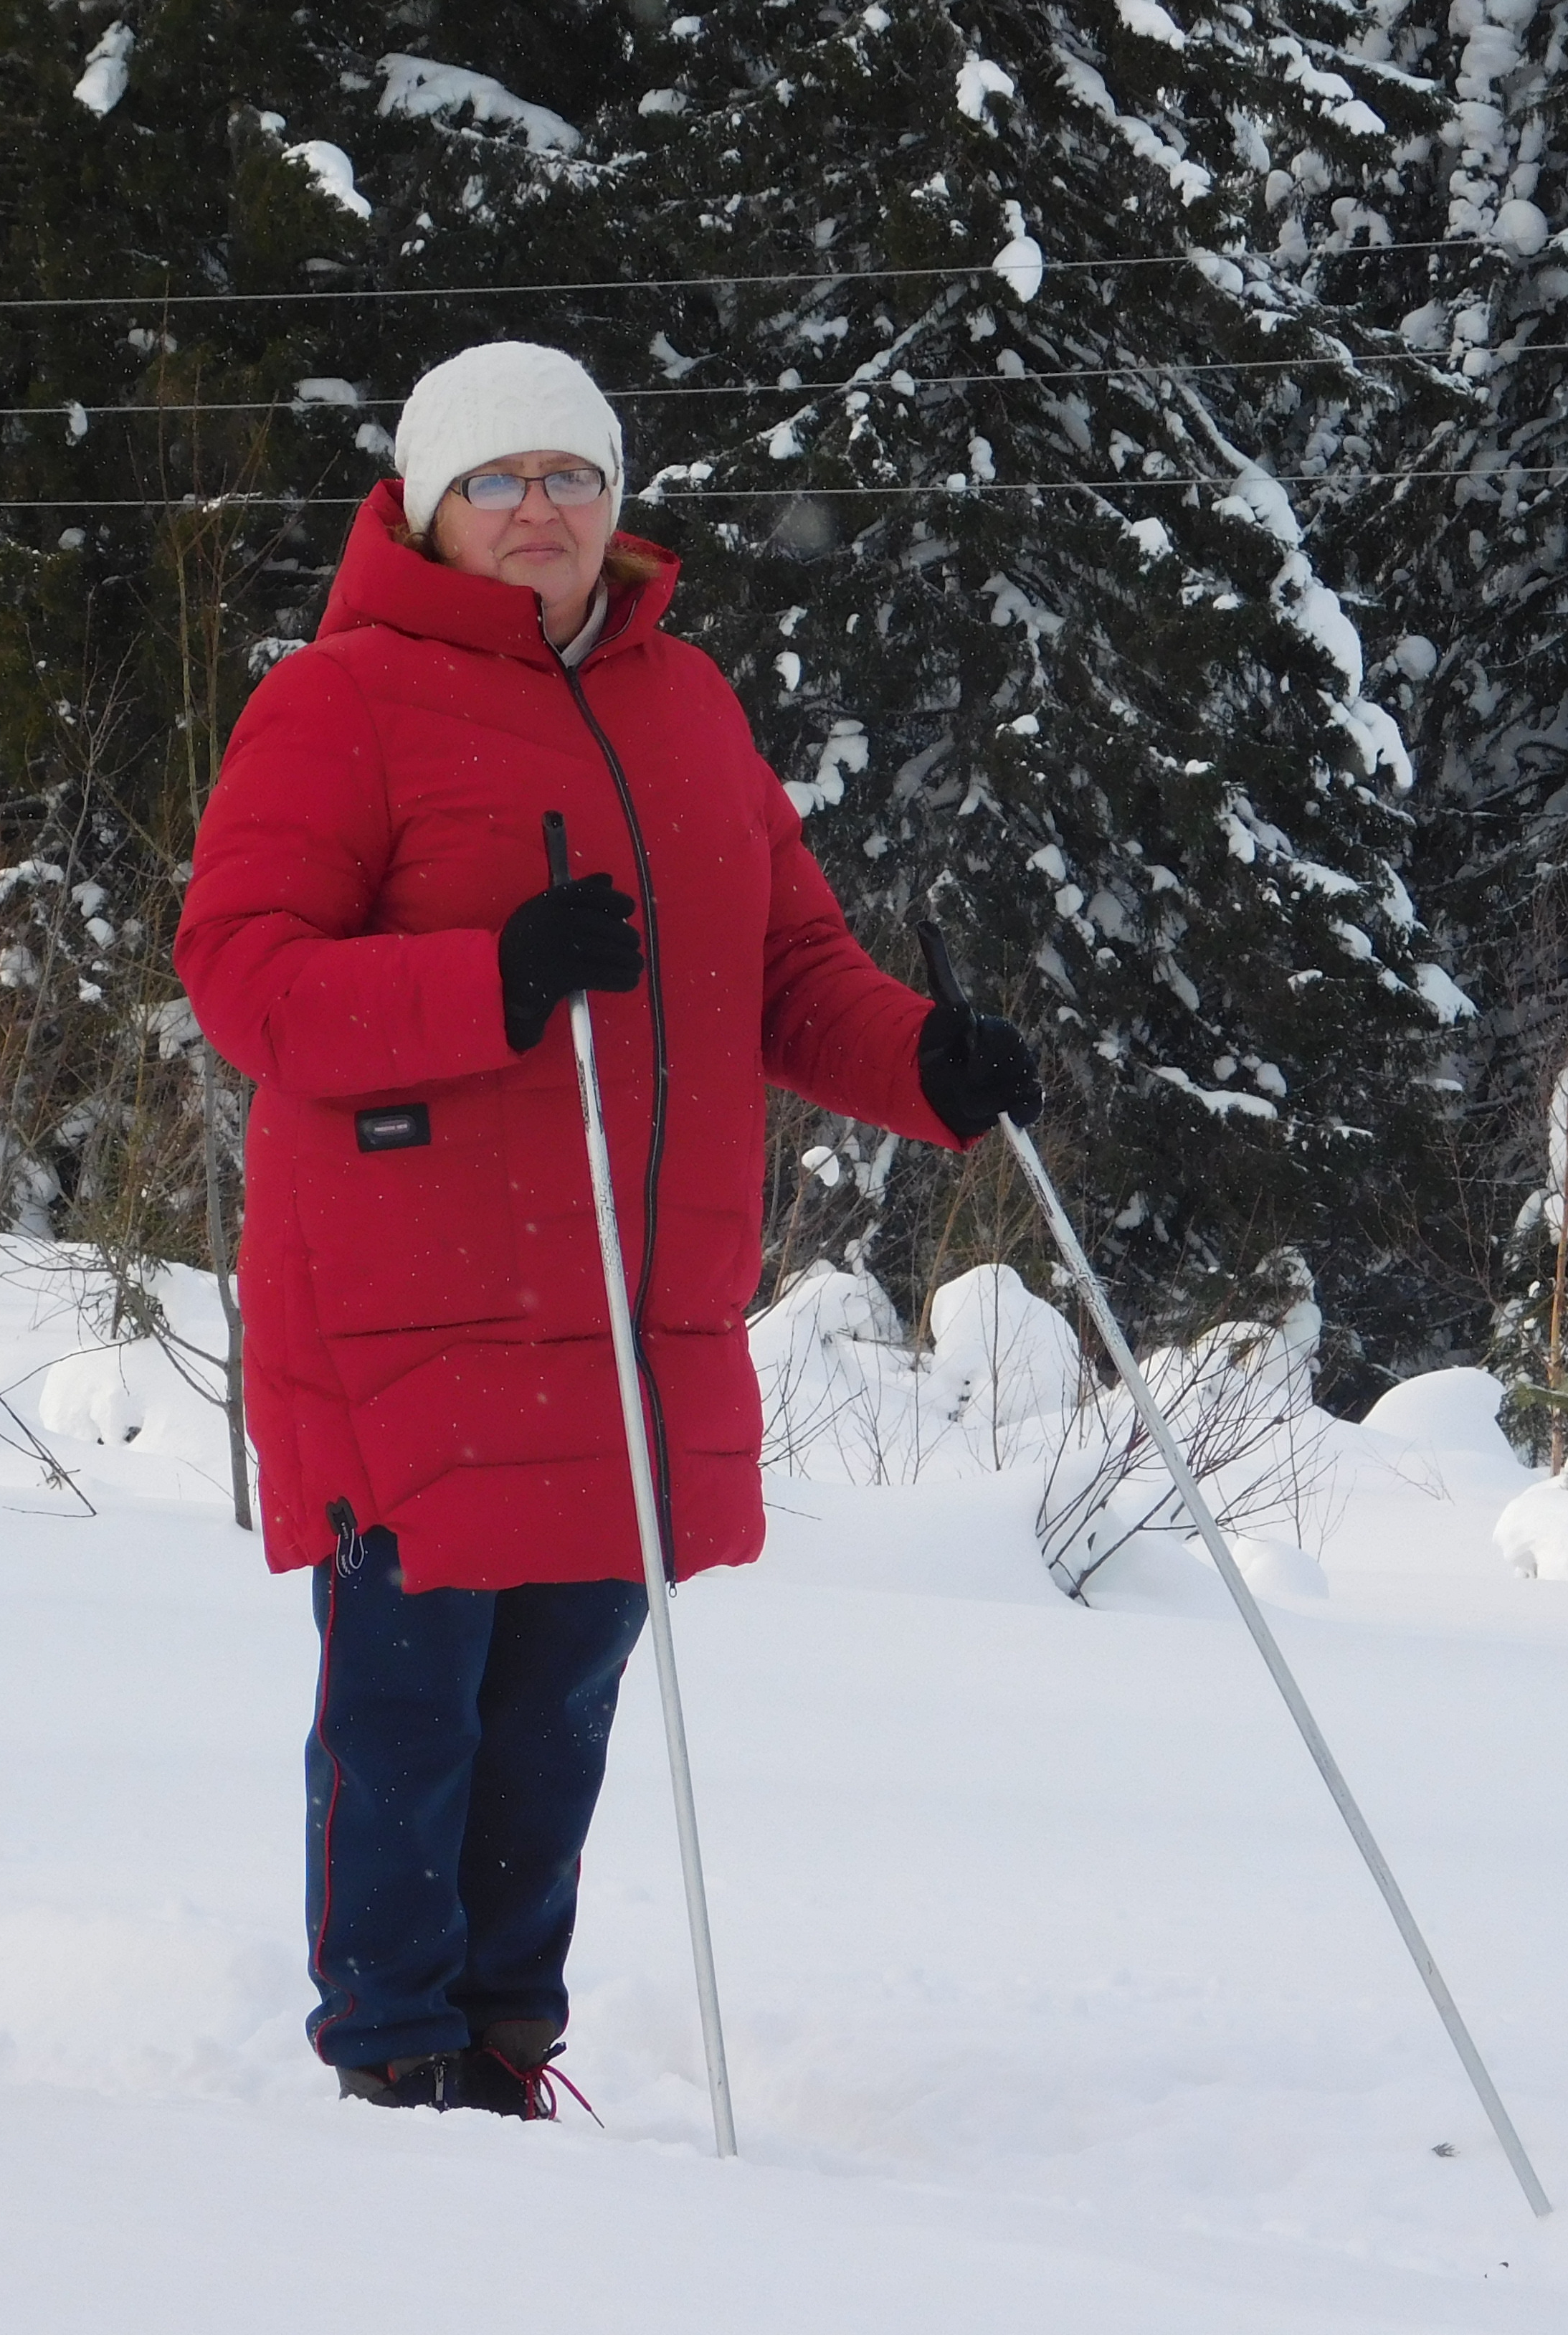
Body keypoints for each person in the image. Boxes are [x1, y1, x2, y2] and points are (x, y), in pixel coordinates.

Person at [174, 341, 1042, 2118]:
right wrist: (491, 979)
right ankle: (396, 2062)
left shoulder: (686, 702)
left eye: (571, 477)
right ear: (429, 507)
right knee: (413, 1708)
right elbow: (248, 978)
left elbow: (787, 974)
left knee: (556, 1707)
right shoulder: (340, 701)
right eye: (498, 481)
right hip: (414, 1309)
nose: (540, 510)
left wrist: (928, 1068)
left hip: (638, 1306)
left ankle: (506, 2050)